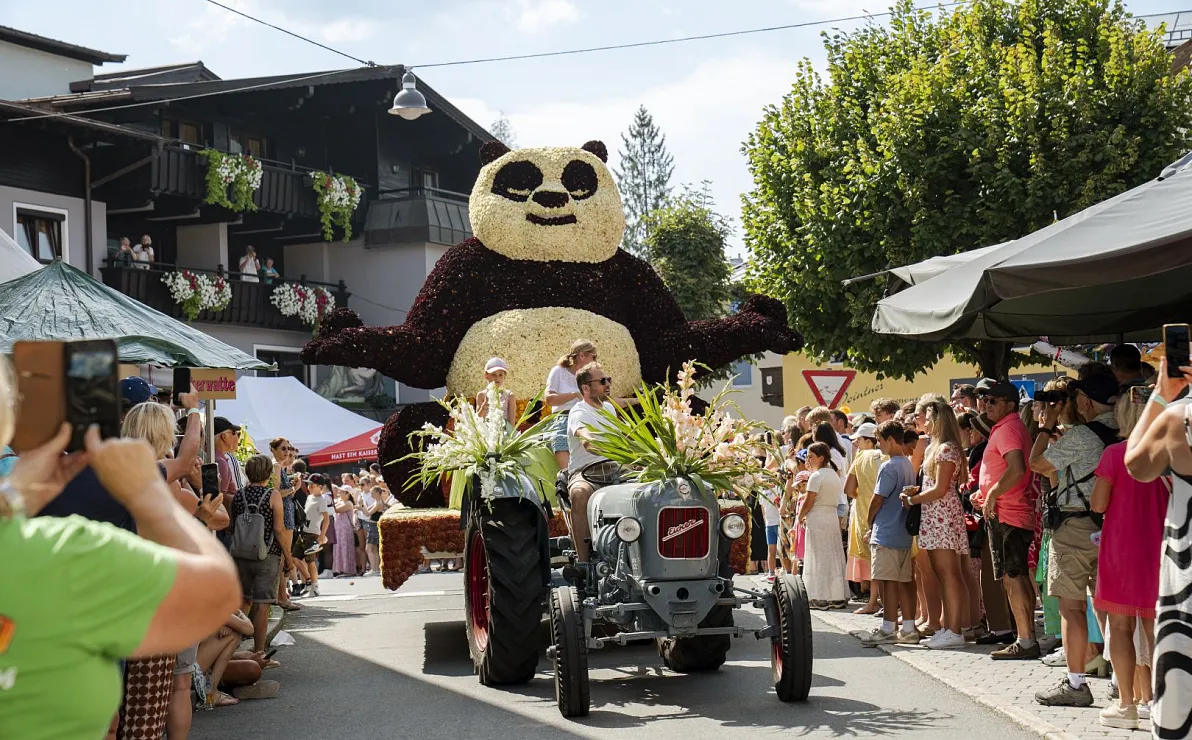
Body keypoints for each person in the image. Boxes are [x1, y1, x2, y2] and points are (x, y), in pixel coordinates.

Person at [0, 368, 239, 740]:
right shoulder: (69, 541)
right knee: (130, 716)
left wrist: (13, 498)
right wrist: (150, 496)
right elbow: (220, 589)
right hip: (135, 603)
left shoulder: (49, 526)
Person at [1029, 368, 1119, 707]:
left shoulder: (1083, 436)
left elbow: (1037, 463)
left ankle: (1076, 683)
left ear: (1085, 401)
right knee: (1110, 606)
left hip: (1075, 526)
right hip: (1110, 525)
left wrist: (1046, 424)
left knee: (1071, 605)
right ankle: (1120, 679)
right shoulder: (1124, 429)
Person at [1124, 357, 1192, 739]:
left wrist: (1161, 395)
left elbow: (1135, 463)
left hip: (1187, 574)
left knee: (1183, 684)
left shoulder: (1179, 420)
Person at [1090, 390, 1165, 729]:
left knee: (1121, 627)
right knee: (1156, 627)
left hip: (1122, 549)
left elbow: (1098, 504)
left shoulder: (1115, 454)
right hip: (1161, 548)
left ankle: (1126, 705)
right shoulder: (1168, 455)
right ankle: (1159, 701)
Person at [975, 380, 1039, 660]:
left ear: (1010, 405)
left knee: (1013, 578)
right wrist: (987, 493)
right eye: (985, 400)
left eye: (993, 401)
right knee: (1015, 577)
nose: (986, 405)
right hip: (1008, 511)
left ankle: (1025, 640)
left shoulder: (1010, 427)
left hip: (1008, 513)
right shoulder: (1006, 427)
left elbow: (1017, 468)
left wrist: (993, 495)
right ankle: (1025, 638)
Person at [903, 394, 971, 649]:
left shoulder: (945, 448)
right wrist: (916, 493)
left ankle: (954, 630)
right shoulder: (937, 447)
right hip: (935, 516)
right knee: (944, 573)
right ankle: (950, 627)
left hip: (942, 516)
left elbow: (941, 489)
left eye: (928, 418)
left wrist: (913, 500)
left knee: (949, 573)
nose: (925, 423)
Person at [859, 421, 920, 646]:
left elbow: (877, 499)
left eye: (881, 441)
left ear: (890, 440)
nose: (879, 445)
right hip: (903, 533)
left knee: (886, 581)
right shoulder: (907, 464)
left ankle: (888, 628)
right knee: (905, 581)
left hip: (886, 531)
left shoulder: (889, 466)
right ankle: (909, 628)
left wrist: (869, 523)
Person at [229, 455, 287, 654]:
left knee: (244, 601)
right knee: (262, 605)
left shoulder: (238, 496)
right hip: (267, 554)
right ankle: (259, 652)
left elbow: (232, 526)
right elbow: (279, 529)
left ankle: (230, 648)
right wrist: (288, 556)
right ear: (268, 473)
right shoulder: (273, 495)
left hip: (241, 554)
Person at [565, 361, 618, 566]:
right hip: (585, 473)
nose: (608, 384)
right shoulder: (578, 413)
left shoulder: (609, 408)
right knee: (579, 493)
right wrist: (600, 445)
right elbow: (586, 438)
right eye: (602, 381)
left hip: (614, 470)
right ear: (585, 388)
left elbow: (621, 438)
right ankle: (584, 563)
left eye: (608, 380)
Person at [799, 441, 849, 609]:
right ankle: (836, 596)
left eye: (810, 456)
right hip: (831, 517)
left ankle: (819, 596)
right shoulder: (834, 475)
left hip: (818, 517)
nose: (808, 459)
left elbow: (808, 502)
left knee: (818, 556)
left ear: (821, 458)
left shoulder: (817, 476)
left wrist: (799, 517)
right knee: (832, 555)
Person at [845, 422, 883, 614]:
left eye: (859, 440)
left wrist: (862, 495)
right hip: (887, 510)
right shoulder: (886, 456)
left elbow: (848, 488)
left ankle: (873, 601)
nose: (856, 444)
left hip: (865, 512)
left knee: (875, 558)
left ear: (869, 440)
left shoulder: (861, 458)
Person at [546, 340, 598, 471]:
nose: (595, 360)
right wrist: (574, 394)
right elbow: (549, 399)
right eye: (594, 356)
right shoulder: (558, 371)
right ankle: (568, 476)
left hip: (584, 416)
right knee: (560, 438)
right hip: (562, 417)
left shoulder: (588, 376)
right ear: (582, 355)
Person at [299, 474, 332, 597]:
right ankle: (309, 581)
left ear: (320, 487)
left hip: (313, 533)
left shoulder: (322, 500)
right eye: (308, 484)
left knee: (310, 561)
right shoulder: (309, 498)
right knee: (295, 558)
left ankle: (314, 587)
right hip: (303, 531)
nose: (309, 487)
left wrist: (322, 535)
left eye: (312, 485)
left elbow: (326, 519)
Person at [475, 356, 518, 427]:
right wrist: (485, 405)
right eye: (493, 374)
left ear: (504, 377)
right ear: (486, 376)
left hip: (504, 433)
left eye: (500, 375)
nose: (497, 378)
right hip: (486, 433)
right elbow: (478, 420)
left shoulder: (509, 396)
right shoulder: (481, 395)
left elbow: (511, 423)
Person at [332, 485, 359, 576]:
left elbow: (337, 510)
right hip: (338, 529)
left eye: (342, 492)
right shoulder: (341, 501)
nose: (340, 493)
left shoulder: (348, 503)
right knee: (339, 548)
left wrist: (330, 503)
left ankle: (348, 570)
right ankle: (340, 569)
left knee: (346, 548)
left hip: (346, 529)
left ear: (347, 493)